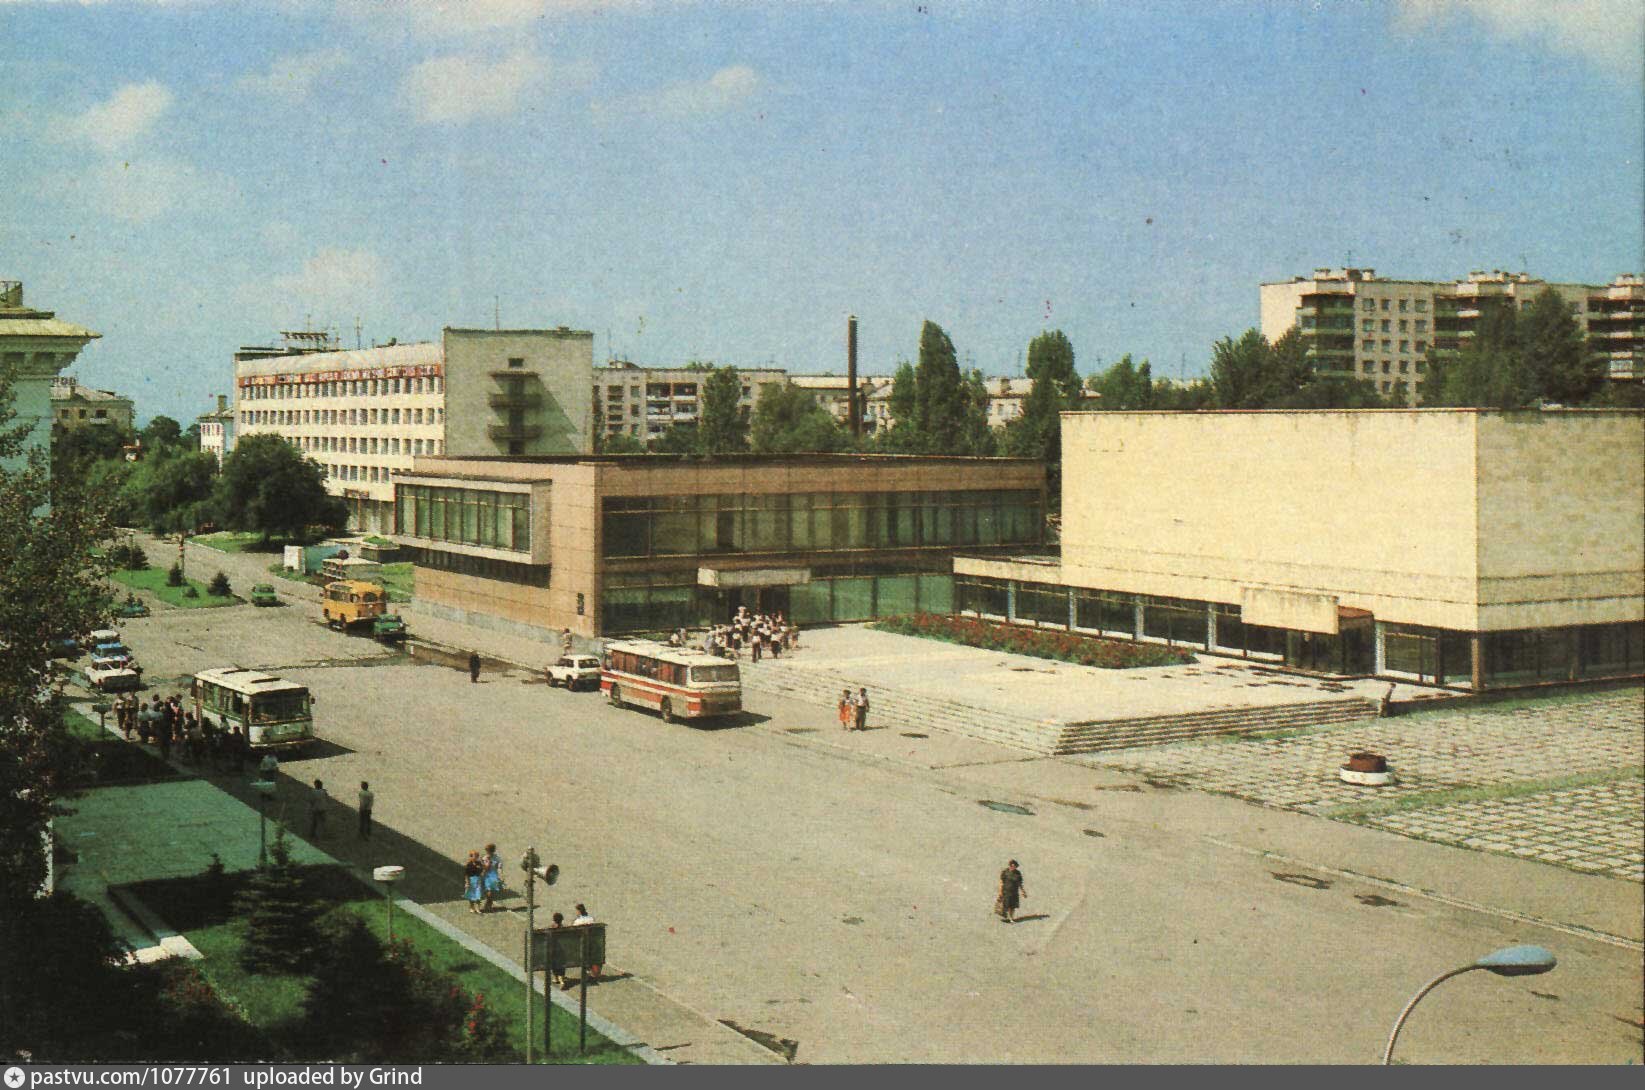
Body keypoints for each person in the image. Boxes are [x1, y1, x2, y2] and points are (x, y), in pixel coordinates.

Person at [572, 902, 602, 981]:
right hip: (592, 942)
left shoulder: (577, 921)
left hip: (583, 943)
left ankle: (587, 971)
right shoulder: (591, 918)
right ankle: (591, 972)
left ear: (579, 911)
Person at [548, 912, 569, 989]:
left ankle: (560, 980)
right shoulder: (563, 928)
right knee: (561, 965)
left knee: (554, 964)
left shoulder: (552, 928)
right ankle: (558, 978)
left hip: (554, 951)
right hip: (562, 952)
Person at [481, 842, 503, 912]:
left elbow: (499, 867)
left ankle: (488, 905)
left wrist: (501, 875)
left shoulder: (497, 858)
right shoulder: (485, 858)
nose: (487, 852)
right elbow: (484, 868)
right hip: (486, 876)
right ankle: (488, 905)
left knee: (491, 892)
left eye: (488, 851)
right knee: (488, 892)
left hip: (493, 876)